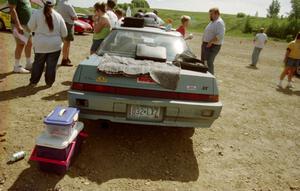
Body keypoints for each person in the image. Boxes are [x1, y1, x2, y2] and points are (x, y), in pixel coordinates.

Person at [28, 0, 67, 87]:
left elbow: (30, 27)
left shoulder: (36, 13)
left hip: (40, 44)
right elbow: (65, 33)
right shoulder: (58, 16)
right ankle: (49, 83)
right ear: (54, 4)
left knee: (38, 63)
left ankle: (33, 82)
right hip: (55, 45)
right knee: (51, 65)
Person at [8, 0, 33, 73]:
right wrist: (18, 25)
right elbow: (12, 10)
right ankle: (17, 66)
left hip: (27, 25)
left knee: (29, 43)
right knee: (20, 44)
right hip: (19, 25)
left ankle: (28, 64)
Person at [201, 8, 225, 75]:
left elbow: (220, 35)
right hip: (206, 44)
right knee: (203, 61)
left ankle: (210, 76)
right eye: (210, 14)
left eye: (211, 14)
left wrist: (211, 42)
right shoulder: (213, 22)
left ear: (217, 14)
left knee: (209, 61)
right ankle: (203, 75)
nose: (210, 16)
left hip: (213, 45)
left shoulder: (219, 22)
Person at [57, 0, 78, 67]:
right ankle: (65, 59)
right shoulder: (68, 5)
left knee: (66, 42)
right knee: (67, 42)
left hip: (62, 23)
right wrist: (72, 17)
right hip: (68, 24)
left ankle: (66, 57)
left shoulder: (59, 3)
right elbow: (75, 17)